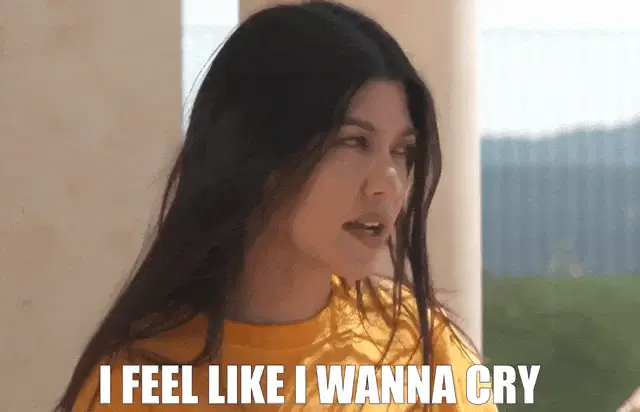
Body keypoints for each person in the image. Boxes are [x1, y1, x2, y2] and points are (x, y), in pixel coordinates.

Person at [55, 2, 497, 411]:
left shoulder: (422, 351)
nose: (389, 184)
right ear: (258, 152)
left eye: (402, 151)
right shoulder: (140, 379)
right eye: (354, 142)